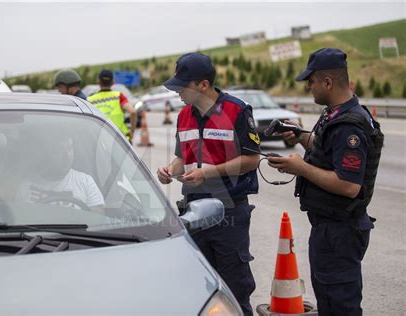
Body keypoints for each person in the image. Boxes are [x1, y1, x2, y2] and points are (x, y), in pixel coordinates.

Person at [267, 48, 384, 315]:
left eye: (311, 81)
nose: (308, 87)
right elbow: (327, 151)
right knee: (329, 301)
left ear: (328, 82)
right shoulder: (336, 114)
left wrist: (301, 168)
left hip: (339, 231)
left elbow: (348, 185)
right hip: (330, 229)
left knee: (339, 305)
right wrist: (299, 137)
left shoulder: (349, 126)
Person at [156, 52, 260, 316]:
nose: (178, 91)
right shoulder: (183, 116)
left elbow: (251, 160)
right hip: (193, 211)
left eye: (183, 85)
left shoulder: (237, 111)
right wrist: (170, 169)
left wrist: (209, 172)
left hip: (229, 211)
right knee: (199, 288)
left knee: (234, 289)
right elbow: (183, 157)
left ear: (203, 85)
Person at [17, 133, 105, 213]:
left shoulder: (86, 181)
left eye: (69, 148)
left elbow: (98, 220)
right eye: (59, 150)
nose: (67, 155)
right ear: (47, 153)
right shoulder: (24, 183)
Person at [87, 70, 136, 143]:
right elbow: (133, 112)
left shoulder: (90, 100)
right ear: (113, 82)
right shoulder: (118, 96)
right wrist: (131, 132)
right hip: (121, 139)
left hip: (100, 140)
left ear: (98, 82)